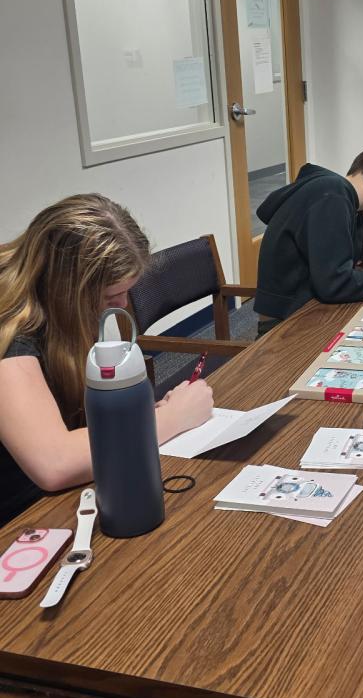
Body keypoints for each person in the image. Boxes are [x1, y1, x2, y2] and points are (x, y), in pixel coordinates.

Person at [0, 195, 214, 527]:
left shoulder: (59, 310)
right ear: (67, 290)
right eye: (110, 296)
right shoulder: (12, 335)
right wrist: (171, 418)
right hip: (22, 517)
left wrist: (139, 418)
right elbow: (55, 463)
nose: (123, 305)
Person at [254, 140, 363, 331]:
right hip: (286, 327)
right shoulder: (332, 196)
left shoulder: (349, 200)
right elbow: (335, 284)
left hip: (309, 312)